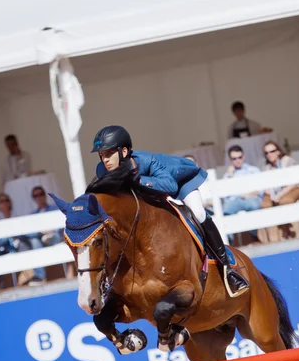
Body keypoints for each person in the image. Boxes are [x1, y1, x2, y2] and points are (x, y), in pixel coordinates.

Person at [92, 125, 249, 297]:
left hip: (180, 182)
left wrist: (137, 179)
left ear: (123, 151)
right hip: (152, 193)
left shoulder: (146, 161)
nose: (105, 159)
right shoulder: (102, 171)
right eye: (102, 155)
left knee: (198, 213)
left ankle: (226, 268)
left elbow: (170, 186)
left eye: (108, 154)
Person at [223, 145, 263, 216]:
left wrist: (250, 194)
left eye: (240, 157)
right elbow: (226, 197)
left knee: (254, 205)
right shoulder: (228, 175)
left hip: (251, 198)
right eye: (234, 158)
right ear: (230, 160)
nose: (237, 160)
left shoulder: (253, 170)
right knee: (226, 209)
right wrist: (230, 176)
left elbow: (261, 190)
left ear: (243, 157)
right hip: (235, 200)